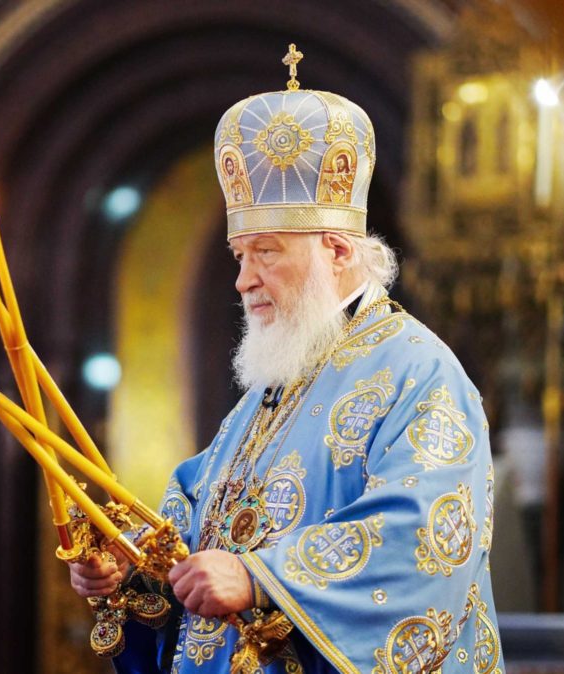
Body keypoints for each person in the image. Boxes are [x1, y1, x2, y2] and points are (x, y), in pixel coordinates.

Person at [71, 47, 501, 674]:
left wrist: (261, 577)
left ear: (336, 249)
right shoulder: (273, 389)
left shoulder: (419, 372)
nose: (244, 281)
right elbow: (198, 525)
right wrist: (133, 571)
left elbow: (426, 540)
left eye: (266, 252)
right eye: (239, 256)